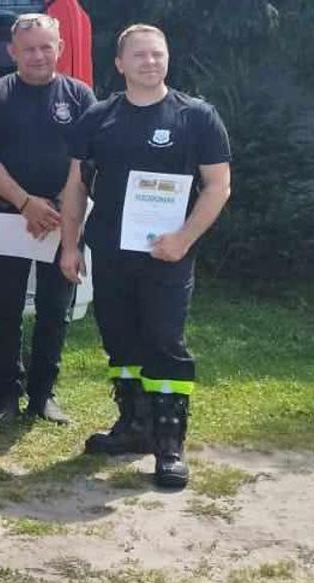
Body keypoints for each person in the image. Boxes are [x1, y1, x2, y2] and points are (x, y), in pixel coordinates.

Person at [58, 24, 231, 490]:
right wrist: (70, 245)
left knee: (164, 341)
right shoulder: (97, 118)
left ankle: (169, 442)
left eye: (158, 54)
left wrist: (184, 238)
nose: (150, 62)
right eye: (139, 55)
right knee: (120, 341)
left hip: (168, 255)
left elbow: (217, 186)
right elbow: (75, 187)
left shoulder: (196, 117)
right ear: (120, 63)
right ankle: (133, 426)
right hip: (111, 251)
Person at [0, 14, 96, 423]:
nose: (38, 56)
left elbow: (88, 158)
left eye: (45, 47)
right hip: (9, 216)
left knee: (54, 309)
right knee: (5, 310)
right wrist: (26, 203)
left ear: (59, 47)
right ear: (12, 52)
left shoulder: (80, 95)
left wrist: (61, 205)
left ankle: (44, 395)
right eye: (28, 48)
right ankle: (7, 396)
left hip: (64, 219)